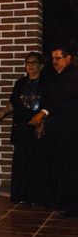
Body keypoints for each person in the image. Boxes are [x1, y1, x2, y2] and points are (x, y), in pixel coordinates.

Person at [0, 52, 49, 204]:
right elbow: (13, 103)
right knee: (21, 162)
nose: (30, 65)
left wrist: (42, 121)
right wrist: (3, 112)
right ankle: (21, 196)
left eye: (34, 62)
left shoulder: (47, 83)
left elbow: (50, 105)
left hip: (38, 127)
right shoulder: (20, 83)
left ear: (41, 65)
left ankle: (38, 197)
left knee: (38, 162)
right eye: (27, 63)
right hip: (22, 128)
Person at [29, 45, 78, 215]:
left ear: (69, 58)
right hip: (58, 130)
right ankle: (63, 201)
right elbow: (49, 97)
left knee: (70, 168)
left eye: (59, 58)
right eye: (53, 58)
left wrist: (42, 113)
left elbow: (61, 95)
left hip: (70, 131)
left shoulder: (72, 75)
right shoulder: (56, 76)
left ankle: (72, 206)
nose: (55, 62)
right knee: (60, 167)